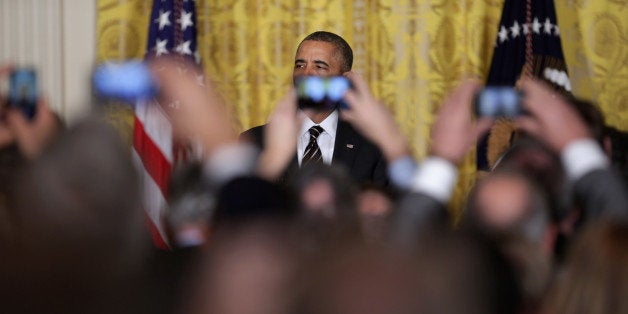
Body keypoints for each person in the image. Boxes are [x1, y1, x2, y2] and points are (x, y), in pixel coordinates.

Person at [241, 31, 387, 186]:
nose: (306, 73)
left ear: (344, 80)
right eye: (300, 65)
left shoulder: (371, 144)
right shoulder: (254, 141)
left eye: (319, 66)